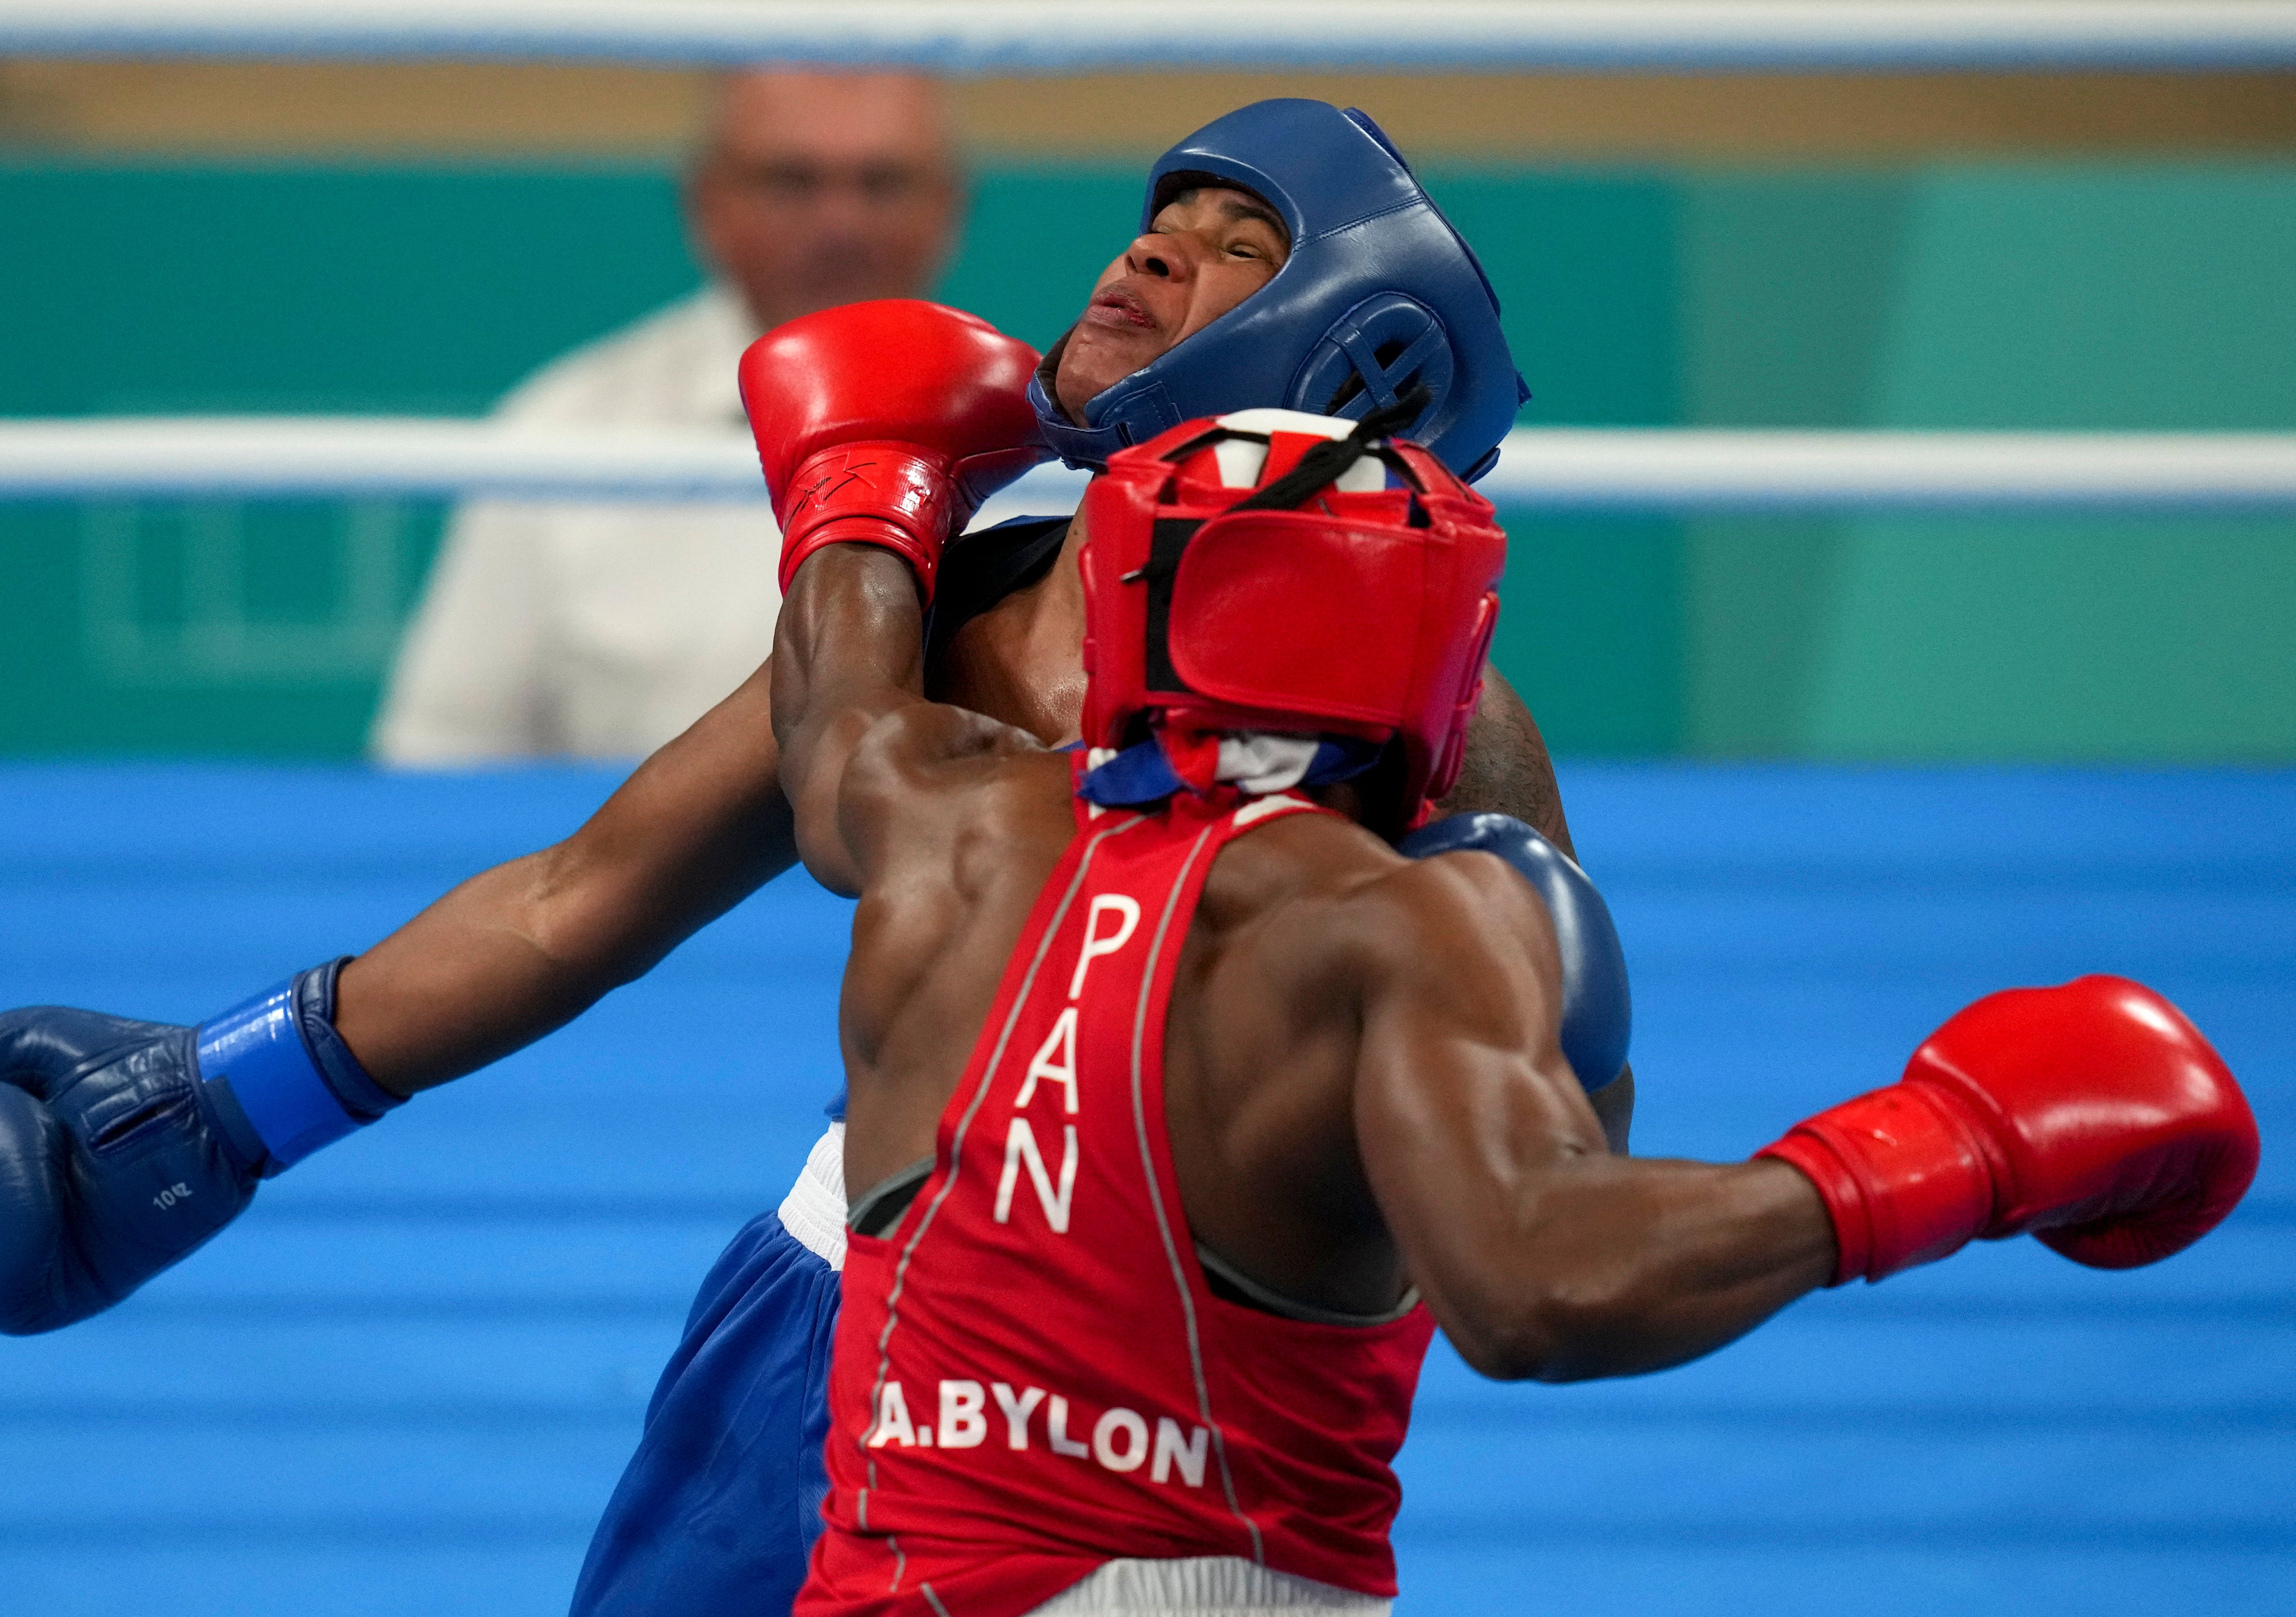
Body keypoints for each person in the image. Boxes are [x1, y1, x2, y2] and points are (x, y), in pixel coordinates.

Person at [0, 102, 1615, 1617]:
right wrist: (214, 1103)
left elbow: (1536, 1198)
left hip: (1178, 1407)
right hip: (838, 1311)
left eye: (1238, 250)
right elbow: (587, 895)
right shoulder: (978, 585)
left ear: (1352, 356)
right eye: (1157, 218)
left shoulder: (1442, 728)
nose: (1151, 255)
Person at [760, 311, 2260, 1615]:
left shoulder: (928, 811)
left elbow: (832, 719)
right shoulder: (1394, 921)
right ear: (1427, 649)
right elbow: (1540, 1281)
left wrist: (855, 498)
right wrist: (1951, 1148)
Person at [372, 69, 964, 763]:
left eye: (883, 182)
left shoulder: (1048, 440)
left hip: (959, 870)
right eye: (792, 181)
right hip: (629, 868)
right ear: (706, 201)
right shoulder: (564, 432)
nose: (841, 222)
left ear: (950, 205)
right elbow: (441, 758)